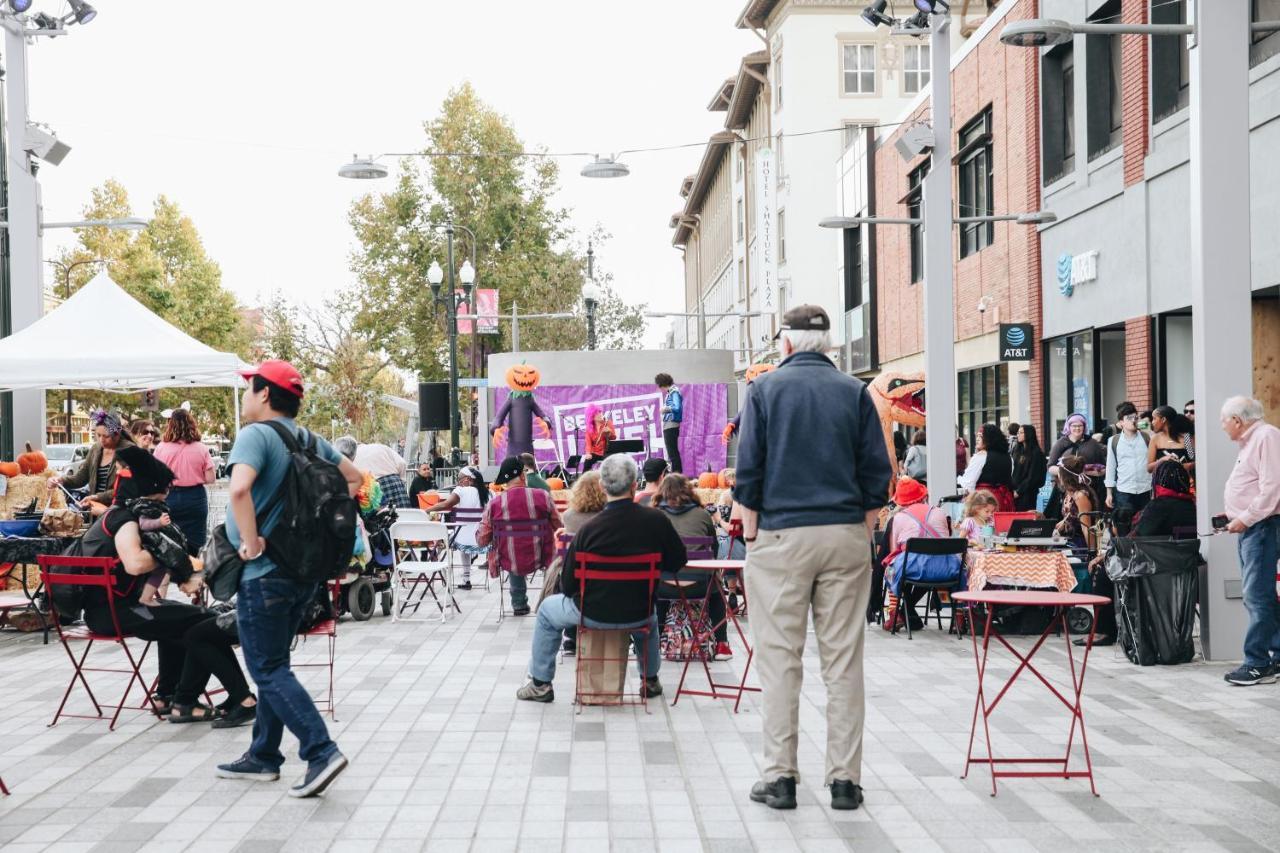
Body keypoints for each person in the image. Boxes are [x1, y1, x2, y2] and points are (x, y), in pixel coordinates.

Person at [734, 304, 891, 812]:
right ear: (828, 347)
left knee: (780, 661)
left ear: (784, 344)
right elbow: (877, 472)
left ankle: (781, 777)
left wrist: (753, 533)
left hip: (781, 537)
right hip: (844, 534)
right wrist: (863, 527)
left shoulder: (763, 392)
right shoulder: (855, 393)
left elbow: (749, 472)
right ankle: (845, 781)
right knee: (844, 662)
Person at [215, 359, 362, 798]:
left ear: (264, 394)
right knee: (275, 663)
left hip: (263, 573)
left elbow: (239, 489)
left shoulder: (255, 435)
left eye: (248, 389)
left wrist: (254, 540)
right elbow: (352, 479)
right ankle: (263, 755)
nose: (245, 397)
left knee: (267, 667)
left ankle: (320, 751)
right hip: (300, 572)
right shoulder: (308, 439)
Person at [72, 445, 253, 726]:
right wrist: (169, 556)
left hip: (114, 609)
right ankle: (220, 699)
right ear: (148, 492)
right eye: (163, 491)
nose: (167, 495)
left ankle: (169, 696)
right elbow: (134, 563)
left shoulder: (115, 515)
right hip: (119, 612)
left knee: (179, 620)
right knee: (204, 621)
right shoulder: (125, 521)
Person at [515, 454, 686, 703]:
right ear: (634, 485)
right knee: (650, 616)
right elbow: (678, 561)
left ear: (603, 487)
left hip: (591, 612)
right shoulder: (657, 520)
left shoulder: (587, 530)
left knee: (546, 612)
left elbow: (571, 584)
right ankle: (649, 680)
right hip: (638, 610)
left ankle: (540, 684)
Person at [1219, 396, 1280, 686]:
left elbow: (1272, 487)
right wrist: (1235, 514)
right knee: (1258, 594)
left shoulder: (1266, 436)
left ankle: (1257, 663)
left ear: (1238, 420)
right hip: (1252, 526)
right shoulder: (1251, 441)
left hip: (1262, 526)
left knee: (1256, 594)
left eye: (1224, 420)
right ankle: (1275, 657)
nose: (1222, 426)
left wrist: (1246, 517)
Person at [652, 474, 730, 659]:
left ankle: (655, 643)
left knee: (655, 589)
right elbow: (714, 547)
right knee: (717, 592)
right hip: (700, 585)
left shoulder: (655, 515)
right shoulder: (702, 514)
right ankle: (722, 644)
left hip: (664, 586)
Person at [476, 456, 561, 616]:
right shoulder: (543, 496)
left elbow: (482, 540)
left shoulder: (494, 504)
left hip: (509, 558)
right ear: (523, 476)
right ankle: (547, 600)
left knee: (511, 549)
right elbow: (559, 526)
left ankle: (519, 603)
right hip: (542, 555)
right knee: (546, 549)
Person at [872, 477, 949, 630]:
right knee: (928, 566)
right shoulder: (940, 513)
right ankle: (908, 610)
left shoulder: (898, 518)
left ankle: (895, 612)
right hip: (945, 570)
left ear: (901, 501)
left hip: (912, 568)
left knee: (892, 568)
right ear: (922, 496)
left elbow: (894, 552)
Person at [49, 410, 135, 514]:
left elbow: (127, 489)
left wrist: (97, 497)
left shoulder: (129, 450)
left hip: (118, 512)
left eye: (106, 436)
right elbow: (81, 477)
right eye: (98, 435)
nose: (101, 440)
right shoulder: (96, 449)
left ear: (117, 434)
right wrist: (61, 480)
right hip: (95, 512)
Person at [154, 408, 215, 555]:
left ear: (170, 425)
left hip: (169, 497)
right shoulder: (202, 448)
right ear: (192, 424)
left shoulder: (161, 448)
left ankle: (174, 574)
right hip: (195, 498)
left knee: (170, 540)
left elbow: (154, 476)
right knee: (195, 543)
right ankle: (192, 571)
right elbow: (210, 478)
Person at [432, 465, 490, 590]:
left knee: (449, 536)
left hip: (461, 538)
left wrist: (428, 509)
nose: (458, 482)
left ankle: (466, 578)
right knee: (464, 532)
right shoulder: (488, 493)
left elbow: (447, 504)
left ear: (468, 479)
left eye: (460, 478)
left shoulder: (461, 490)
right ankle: (468, 576)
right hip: (483, 538)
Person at [1105, 402, 1153, 515]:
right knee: (1124, 526)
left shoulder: (1147, 437)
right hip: (1124, 491)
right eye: (1129, 418)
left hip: (1146, 489)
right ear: (1121, 422)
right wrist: (1109, 493)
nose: (1133, 420)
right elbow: (1110, 467)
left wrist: (1149, 430)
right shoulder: (1113, 440)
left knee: (1145, 527)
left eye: (1135, 417)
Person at [958, 423, 1016, 511]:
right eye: (977, 436)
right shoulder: (1009, 457)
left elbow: (968, 484)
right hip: (1005, 501)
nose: (977, 439)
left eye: (980, 436)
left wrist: (958, 479)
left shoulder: (981, 456)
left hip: (985, 502)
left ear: (989, 439)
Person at [1134, 460, 1197, 537]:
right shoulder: (1193, 505)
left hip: (1163, 548)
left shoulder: (1158, 506)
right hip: (1193, 548)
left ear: (1158, 481)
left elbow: (1139, 535)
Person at [1054, 456, 1096, 554]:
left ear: (1065, 476)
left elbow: (1086, 528)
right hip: (1068, 541)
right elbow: (1072, 518)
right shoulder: (1069, 493)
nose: (1057, 475)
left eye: (1059, 472)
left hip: (1079, 546)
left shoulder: (1080, 496)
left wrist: (1092, 554)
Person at [355, 442, 410, 508]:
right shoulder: (381, 447)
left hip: (371, 487)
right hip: (394, 481)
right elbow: (402, 463)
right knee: (404, 513)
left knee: (382, 516)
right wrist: (401, 479)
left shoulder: (353, 455)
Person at [1147, 405, 1195, 475]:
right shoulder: (1155, 439)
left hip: (1184, 483)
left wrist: (1187, 466)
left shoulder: (1186, 438)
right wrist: (1162, 460)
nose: (1152, 422)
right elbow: (1149, 468)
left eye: (1154, 418)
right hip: (1162, 484)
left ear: (1163, 419)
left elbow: (1196, 462)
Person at [1011, 425, 1047, 512]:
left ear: (1029, 434)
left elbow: (1032, 477)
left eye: (1021, 432)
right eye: (1018, 432)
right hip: (1013, 490)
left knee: (1025, 520)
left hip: (1027, 493)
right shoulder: (1016, 449)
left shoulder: (1036, 453)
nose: (1018, 434)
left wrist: (1019, 491)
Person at [656, 372, 684, 473]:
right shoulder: (671, 392)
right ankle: (677, 475)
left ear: (663, 384)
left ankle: (677, 475)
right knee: (672, 453)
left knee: (673, 453)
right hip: (669, 424)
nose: (661, 389)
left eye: (660, 386)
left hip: (671, 424)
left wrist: (665, 409)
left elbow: (677, 407)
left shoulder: (674, 392)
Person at [581, 405, 616, 472]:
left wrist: (609, 434)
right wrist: (588, 453)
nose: (600, 414)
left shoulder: (608, 423)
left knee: (610, 463)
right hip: (596, 452)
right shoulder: (589, 429)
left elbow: (614, 437)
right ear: (592, 417)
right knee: (587, 462)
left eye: (600, 412)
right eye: (598, 413)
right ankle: (585, 480)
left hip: (607, 451)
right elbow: (588, 444)